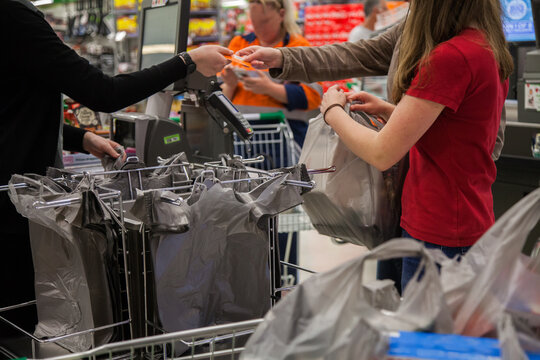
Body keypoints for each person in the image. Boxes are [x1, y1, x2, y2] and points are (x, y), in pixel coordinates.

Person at [238, 0, 512, 292]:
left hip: (440, 227)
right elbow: (452, 129)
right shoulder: (482, 46)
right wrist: (396, 112)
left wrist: (333, 112)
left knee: (425, 332)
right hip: (443, 217)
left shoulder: (449, 56)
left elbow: (382, 152)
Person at [0, 0, 232, 336]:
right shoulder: (13, 16)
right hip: (13, 204)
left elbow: (14, 103)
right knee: (20, 330)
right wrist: (187, 61)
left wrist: (83, 139)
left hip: (13, 193)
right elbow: (103, 92)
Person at [221, 0, 322, 149]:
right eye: (254, 23)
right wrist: (230, 84)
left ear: (282, 14)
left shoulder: (298, 47)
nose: (259, 30)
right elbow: (219, 98)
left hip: (285, 137)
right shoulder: (239, 44)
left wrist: (269, 88)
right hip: (241, 135)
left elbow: (312, 97)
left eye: (265, 22)